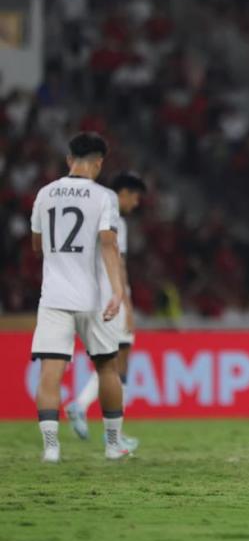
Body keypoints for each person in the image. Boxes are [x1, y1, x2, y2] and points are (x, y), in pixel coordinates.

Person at [29, 132, 130, 462]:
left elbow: (36, 246)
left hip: (54, 296)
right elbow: (108, 244)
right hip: (93, 297)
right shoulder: (105, 197)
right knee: (107, 367)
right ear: (99, 163)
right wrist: (117, 292)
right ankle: (113, 444)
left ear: (69, 160)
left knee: (51, 370)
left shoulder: (44, 194)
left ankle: (51, 448)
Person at [65, 171, 147, 451]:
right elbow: (119, 264)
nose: (135, 204)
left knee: (109, 364)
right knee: (117, 365)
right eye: (135, 197)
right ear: (123, 192)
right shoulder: (114, 219)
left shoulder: (92, 213)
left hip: (93, 296)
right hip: (113, 297)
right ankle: (106, 426)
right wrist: (128, 304)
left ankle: (89, 411)